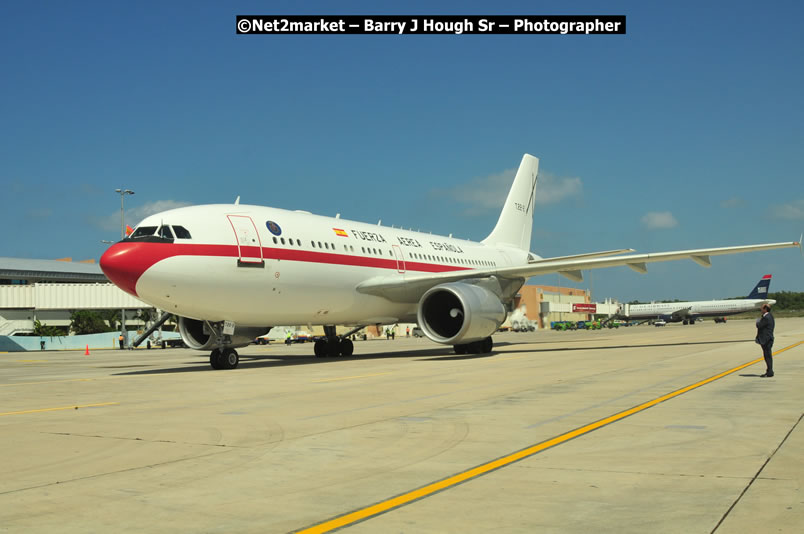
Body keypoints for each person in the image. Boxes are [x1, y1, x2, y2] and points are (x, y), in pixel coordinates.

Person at [755, 303, 775, 377]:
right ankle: (769, 371)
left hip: (766, 339)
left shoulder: (766, 317)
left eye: (762, 308)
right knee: (768, 355)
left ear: (765, 309)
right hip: (768, 338)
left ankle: (770, 372)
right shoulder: (770, 316)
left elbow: (759, 325)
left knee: (767, 356)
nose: (760, 309)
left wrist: (757, 322)